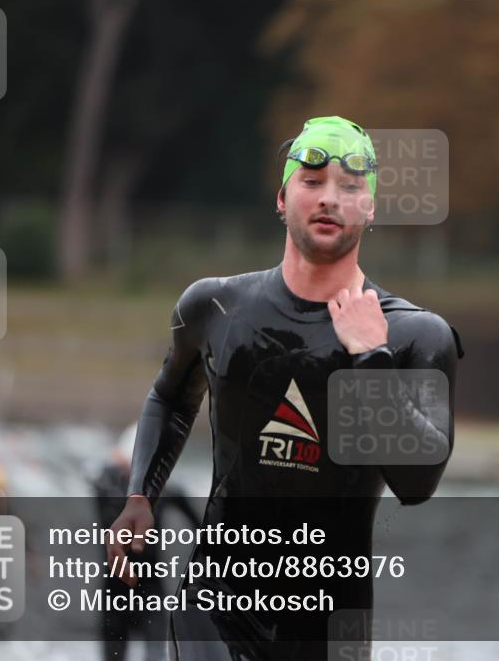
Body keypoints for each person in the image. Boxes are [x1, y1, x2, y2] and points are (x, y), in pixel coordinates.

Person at [107, 116, 464, 660]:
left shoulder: (416, 335)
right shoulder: (215, 307)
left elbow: (417, 482)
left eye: (350, 186)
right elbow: (172, 398)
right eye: (312, 182)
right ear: (281, 198)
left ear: (370, 209)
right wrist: (140, 495)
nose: (330, 199)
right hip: (215, 603)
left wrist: (370, 356)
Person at [93, 424, 202, 661]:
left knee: (156, 649)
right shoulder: (106, 483)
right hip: (116, 580)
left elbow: (199, 525)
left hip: (149, 580)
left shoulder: (162, 490)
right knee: (113, 649)